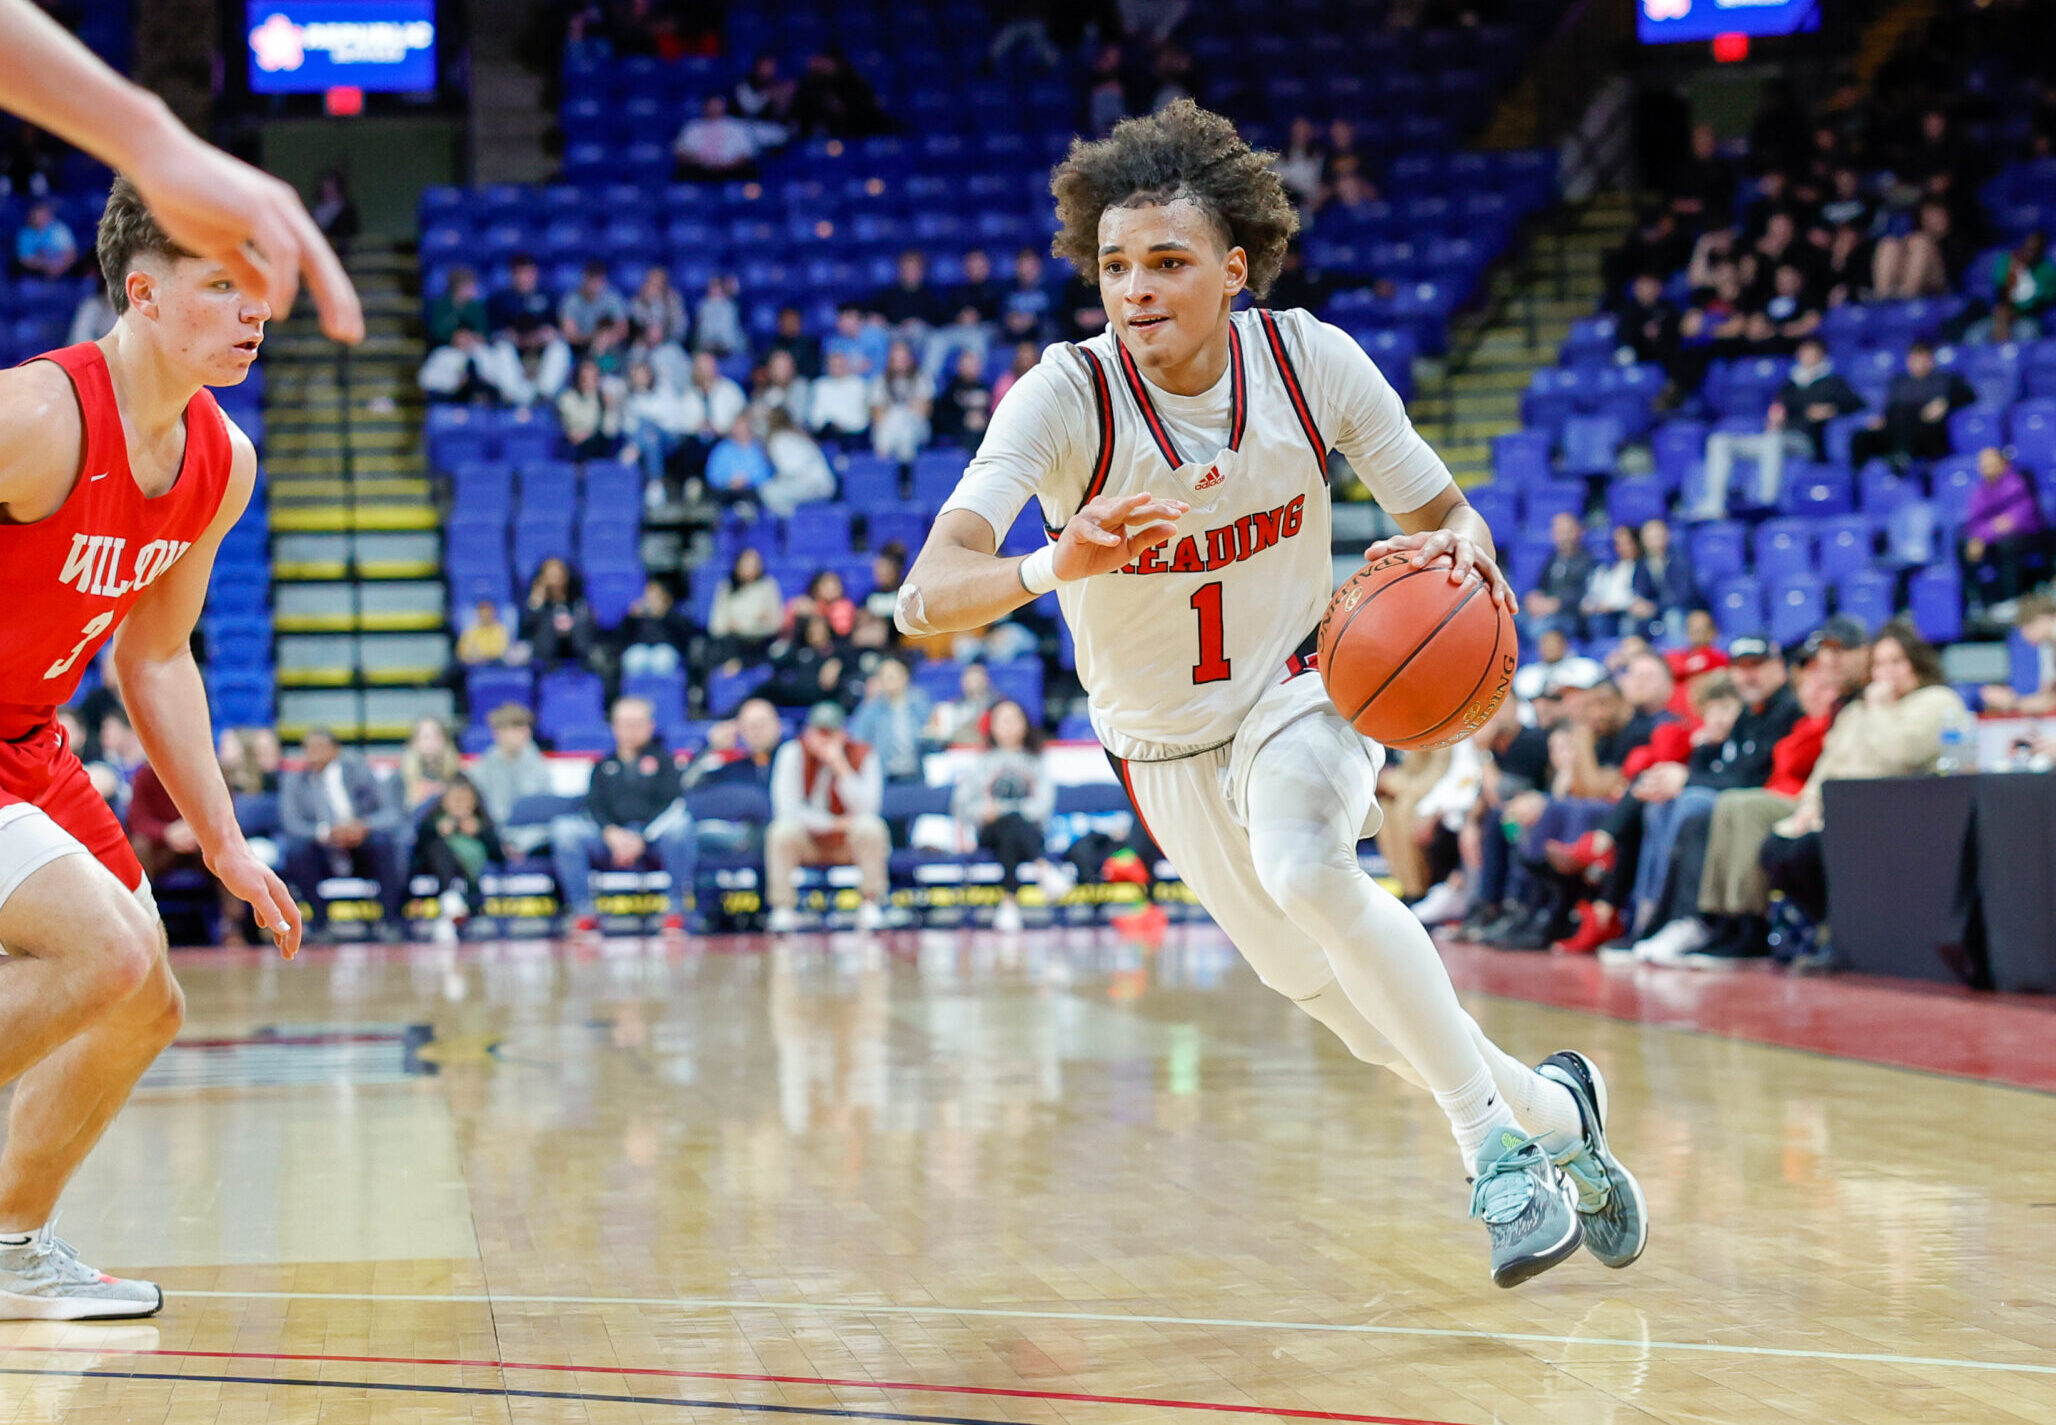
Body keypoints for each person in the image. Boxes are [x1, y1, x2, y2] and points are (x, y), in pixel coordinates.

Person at [895, 100, 1638, 1286]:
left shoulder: (1311, 361)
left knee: (1310, 867)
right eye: (1115, 265)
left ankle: (1492, 1157)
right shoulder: (1063, 397)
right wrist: (1055, 562)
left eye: (1168, 263)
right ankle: (1558, 1118)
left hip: (1305, 684)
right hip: (1161, 750)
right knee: (1357, 1016)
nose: (1135, 289)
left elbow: (1445, 517)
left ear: (1233, 270)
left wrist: (1467, 555)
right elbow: (921, 599)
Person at [0, 171, 308, 1319]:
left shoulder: (221, 462)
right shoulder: (34, 418)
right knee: (104, 955)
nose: (252, 311)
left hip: (26, 742)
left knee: (147, 1000)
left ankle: (9, 1243)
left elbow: (157, 658)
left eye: (259, 288)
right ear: (141, 292)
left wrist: (223, 842)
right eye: (222, 285)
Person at [1758, 621, 1966, 952]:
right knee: (1776, 848)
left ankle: (1843, 936)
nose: (1886, 673)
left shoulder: (1936, 702)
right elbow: (1826, 767)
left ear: (1916, 662)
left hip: (1897, 814)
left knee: (1806, 852)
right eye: (1880, 664)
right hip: (1842, 813)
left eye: (1896, 662)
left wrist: (1882, 708)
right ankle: (1825, 927)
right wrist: (1809, 805)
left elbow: (1898, 756)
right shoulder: (1855, 711)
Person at [1664, 650, 1840, 967]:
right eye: (1810, 686)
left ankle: (1750, 922)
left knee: (1741, 804)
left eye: (1824, 687)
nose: (1814, 692)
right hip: (1777, 796)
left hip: (1797, 801)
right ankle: (1721, 920)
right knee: (1730, 804)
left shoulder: (1828, 725)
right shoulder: (1800, 725)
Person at [548, 696, 696, 933]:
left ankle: (675, 910)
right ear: (614, 727)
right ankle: (583, 913)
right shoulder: (603, 766)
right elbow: (594, 806)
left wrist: (642, 837)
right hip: (610, 840)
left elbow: (672, 806)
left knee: (681, 826)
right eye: (626, 724)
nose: (632, 730)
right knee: (565, 830)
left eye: (638, 723)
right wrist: (610, 833)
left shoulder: (665, 762)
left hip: (653, 841)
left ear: (650, 726)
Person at [1694, 337, 1862, 519]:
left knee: (1772, 442)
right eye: (1803, 352)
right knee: (1719, 441)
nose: (1806, 356)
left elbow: (1856, 404)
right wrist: (1774, 418)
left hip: (1804, 442)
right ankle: (1715, 502)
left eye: (1811, 352)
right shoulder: (1789, 384)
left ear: (1821, 355)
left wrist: (1831, 409)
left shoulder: (1833, 382)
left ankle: (1766, 501)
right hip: (1777, 436)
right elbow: (1777, 409)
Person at [765, 701, 888, 932]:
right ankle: (783, 908)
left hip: (848, 842)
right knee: (780, 830)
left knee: (872, 827)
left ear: (843, 733)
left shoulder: (863, 754)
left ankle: (871, 903)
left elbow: (869, 807)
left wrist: (839, 765)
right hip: (808, 841)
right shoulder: (791, 753)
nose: (823, 739)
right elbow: (787, 809)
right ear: (807, 732)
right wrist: (832, 824)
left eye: (830, 733)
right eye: (818, 732)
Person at [953, 698, 1070, 932]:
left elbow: (1043, 806)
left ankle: (1008, 905)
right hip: (990, 832)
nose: (1009, 725)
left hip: (1026, 832)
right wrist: (983, 811)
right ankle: (1044, 868)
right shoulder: (982, 763)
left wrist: (1002, 809)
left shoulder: (1036, 762)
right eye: (1003, 720)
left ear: (1025, 724)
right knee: (1009, 826)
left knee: (1012, 827)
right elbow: (962, 805)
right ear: (992, 726)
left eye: (1015, 719)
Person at [280, 728, 404, 931]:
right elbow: (292, 824)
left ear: (335, 749)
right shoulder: (295, 782)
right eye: (308, 748)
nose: (314, 753)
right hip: (322, 847)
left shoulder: (359, 772)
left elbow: (391, 812)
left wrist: (364, 826)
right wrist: (326, 833)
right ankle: (319, 924)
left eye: (320, 747)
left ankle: (390, 922)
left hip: (360, 843)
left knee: (385, 844)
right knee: (296, 852)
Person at [1847, 341, 1973, 469]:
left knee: (1911, 421)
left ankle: (1901, 458)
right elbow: (1890, 409)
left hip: (1927, 433)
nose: (1917, 363)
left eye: (1921, 358)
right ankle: (1859, 477)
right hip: (1895, 432)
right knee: (1860, 437)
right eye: (1914, 358)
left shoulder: (1945, 379)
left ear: (1930, 360)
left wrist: (1945, 403)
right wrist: (1882, 420)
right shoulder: (1899, 382)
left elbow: (1969, 395)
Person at [410, 775, 502, 938]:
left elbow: (499, 855)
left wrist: (480, 832)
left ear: (474, 800)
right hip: (437, 870)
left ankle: (454, 905)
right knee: (438, 848)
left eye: (465, 799)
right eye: (455, 800)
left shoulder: (482, 822)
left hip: (472, 880)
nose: (460, 805)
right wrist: (436, 831)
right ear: (444, 801)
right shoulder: (432, 820)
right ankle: (450, 900)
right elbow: (416, 850)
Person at [1960, 447, 2046, 615]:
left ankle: (2012, 599)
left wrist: (1981, 537)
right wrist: (1976, 538)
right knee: (1962, 543)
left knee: (2006, 544)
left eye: (1991, 464)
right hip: (1992, 539)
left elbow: (2011, 521)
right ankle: (1977, 601)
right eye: (1983, 465)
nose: (1986, 469)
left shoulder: (2017, 485)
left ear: (2004, 465)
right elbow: (1974, 520)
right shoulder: (1981, 490)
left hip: (2027, 536)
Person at [468, 704, 554, 856]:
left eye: (525, 727)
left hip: (535, 837)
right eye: (515, 728)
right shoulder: (480, 770)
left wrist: (522, 843)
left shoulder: (539, 766)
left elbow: (547, 811)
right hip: (495, 837)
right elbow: (481, 816)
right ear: (498, 733)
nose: (523, 733)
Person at [486, 255, 572, 405]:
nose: (523, 278)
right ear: (512, 275)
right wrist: (515, 338)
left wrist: (546, 335)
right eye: (519, 273)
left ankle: (543, 395)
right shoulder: (500, 299)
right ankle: (514, 397)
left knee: (560, 348)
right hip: (515, 352)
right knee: (502, 349)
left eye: (527, 273)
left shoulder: (549, 296)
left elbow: (561, 330)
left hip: (541, 352)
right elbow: (493, 334)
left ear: (535, 273)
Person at [848, 656, 933, 783]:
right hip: (884, 776)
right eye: (884, 676)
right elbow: (857, 739)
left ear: (905, 677)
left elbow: (934, 732)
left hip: (918, 773)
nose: (889, 679)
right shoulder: (870, 708)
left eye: (893, 675)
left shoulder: (920, 702)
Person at [706, 547, 783, 671]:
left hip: (759, 644)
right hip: (732, 644)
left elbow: (776, 623)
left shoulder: (768, 586)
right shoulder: (726, 587)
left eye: (754, 564)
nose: (750, 567)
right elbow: (716, 626)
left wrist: (743, 626)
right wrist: (756, 620)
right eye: (746, 563)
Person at [1521, 511, 1595, 640]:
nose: (1563, 537)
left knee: (1540, 628)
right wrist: (1534, 598)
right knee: (1510, 619)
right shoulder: (1553, 558)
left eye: (1567, 531)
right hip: (1546, 612)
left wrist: (1557, 603)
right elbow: (1541, 585)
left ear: (1578, 532)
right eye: (1559, 532)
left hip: (1570, 616)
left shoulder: (1588, 560)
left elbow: (1588, 594)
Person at [1980, 597, 2056, 715]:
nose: (2025, 634)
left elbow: (2049, 702)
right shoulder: (2047, 649)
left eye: (2029, 626)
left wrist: (2012, 702)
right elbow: (2046, 698)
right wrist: (2012, 701)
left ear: (2046, 617)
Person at [519, 557, 597, 670]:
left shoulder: (579, 603)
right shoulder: (537, 604)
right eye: (550, 573)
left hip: (577, 649)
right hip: (546, 652)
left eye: (558, 572)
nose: (555, 577)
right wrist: (536, 602)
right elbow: (525, 631)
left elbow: (589, 630)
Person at [759, 408, 835, 517]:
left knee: (768, 492)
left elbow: (789, 470)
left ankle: (794, 522)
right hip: (818, 483)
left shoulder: (780, 439)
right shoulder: (798, 434)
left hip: (816, 485)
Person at [616, 577, 692, 677]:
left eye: (655, 596)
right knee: (635, 659)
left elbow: (684, 636)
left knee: (661, 659)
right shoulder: (637, 616)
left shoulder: (674, 615)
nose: (651, 600)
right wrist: (630, 617)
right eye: (648, 596)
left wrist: (663, 614)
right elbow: (622, 636)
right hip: (641, 649)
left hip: (665, 649)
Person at [870, 338, 932, 460]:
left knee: (904, 424)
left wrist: (902, 413)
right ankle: (891, 466)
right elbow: (877, 416)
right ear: (890, 361)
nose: (900, 363)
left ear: (910, 360)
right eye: (896, 359)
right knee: (894, 419)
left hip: (916, 426)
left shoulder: (922, 379)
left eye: (903, 359)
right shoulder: (880, 382)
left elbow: (924, 412)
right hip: (888, 427)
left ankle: (904, 466)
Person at [1581, 525, 1646, 639]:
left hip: (1626, 612)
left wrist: (1612, 605)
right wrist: (1590, 604)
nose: (1622, 548)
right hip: (1605, 614)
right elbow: (1593, 593)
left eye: (1627, 543)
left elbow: (1638, 596)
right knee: (1596, 621)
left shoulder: (1642, 567)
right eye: (1618, 544)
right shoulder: (1606, 568)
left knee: (1628, 623)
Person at [558, 260, 629, 365]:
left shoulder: (612, 299)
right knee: (560, 347)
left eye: (599, 279)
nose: (594, 283)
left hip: (609, 346)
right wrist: (594, 338)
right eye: (591, 278)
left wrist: (607, 339)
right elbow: (569, 335)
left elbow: (623, 329)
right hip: (580, 349)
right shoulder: (571, 300)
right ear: (584, 279)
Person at [673, 94, 760, 180]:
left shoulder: (738, 127)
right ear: (705, 106)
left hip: (731, 171)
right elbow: (681, 153)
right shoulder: (692, 127)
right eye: (711, 105)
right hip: (700, 171)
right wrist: (700, 160)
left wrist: (726, 165)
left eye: (717, 105)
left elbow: (747, 155)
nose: (714, 108)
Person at [557, 359, 623, 461]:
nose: (589, 381)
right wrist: (591, 398)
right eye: (585, 378)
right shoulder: (567, 398)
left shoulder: (602, 398)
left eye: (594, 378)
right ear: (578, 378)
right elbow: (575, 424)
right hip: (574, 444)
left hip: (597, 443)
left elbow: (610, 430)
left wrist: (610, 409)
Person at [398, 716, 460, 809]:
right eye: (425, 737)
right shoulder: (402, 777)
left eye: (436, 736)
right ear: (415, 742)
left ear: (445, 740)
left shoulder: (457, 774)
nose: (431, 742)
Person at [13, 198, 73, 277]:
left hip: (62, 271)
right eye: (36, 215)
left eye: (42, 215)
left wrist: (59, 268)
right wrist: (44, 266)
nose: (39, 218)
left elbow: (71, 254)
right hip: (35, 274)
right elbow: (24, 259)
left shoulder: (59, 229)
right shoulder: (25, 234)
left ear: (48, 215)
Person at [457, 598, 511, 666]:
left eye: (488, 613)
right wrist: (472, 657)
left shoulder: (501, 629)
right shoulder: (471, 630)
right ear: (478, 614)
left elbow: (500, 652)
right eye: (482, 613)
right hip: (473, 664)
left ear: (493, 613)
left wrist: (482, 656)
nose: (485, 616)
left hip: (495, 664)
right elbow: (462, 652)